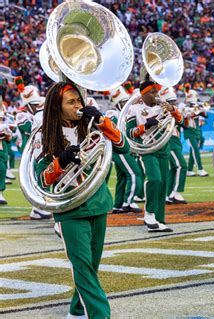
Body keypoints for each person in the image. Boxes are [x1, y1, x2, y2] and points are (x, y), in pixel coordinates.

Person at [35, 81, 129, 318]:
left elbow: (123, 146)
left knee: (90, 268)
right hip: (70, 210)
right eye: (71, 102)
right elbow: (41, 178)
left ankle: (76, 311)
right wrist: (61, 161)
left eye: (79, 100)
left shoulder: (90, 126)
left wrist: (101, 121)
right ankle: (100, 315)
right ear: (57, 107)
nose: (78, 105)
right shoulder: (44, 133)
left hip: (98, 203)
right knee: (84, 270)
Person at [126, 81, 184, 232]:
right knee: (154, 179)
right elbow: (129, 132)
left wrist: (172, 109)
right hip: (147, 149)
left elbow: (180, 120)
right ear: (143, 94)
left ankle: (159, 220)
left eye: (156, 92)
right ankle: (149, 213)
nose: (156, 95)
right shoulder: (135, 109)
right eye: (152, 92)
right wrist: (144, 126)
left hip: (163, 147)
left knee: (163, 184)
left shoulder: (162, 107)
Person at [14, 76, 52, 220]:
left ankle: (38, 209)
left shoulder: (38, 115)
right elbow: (30, 128)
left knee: (43, 177)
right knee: (38, 179)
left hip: (41, 149)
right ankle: (39, 208)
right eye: (34, 104)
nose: (38, 106)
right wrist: (39, 114)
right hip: (29, 152)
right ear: (28, 105)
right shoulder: (22, 115)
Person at [105, 85, 143, 214]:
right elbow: (117, 131)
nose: (127, 105)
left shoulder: (124, 113)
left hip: (123, 148)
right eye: (123, 102)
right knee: (135, 173)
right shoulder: (113, 113)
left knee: (122, 177)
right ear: (117, 103)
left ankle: (118, 204)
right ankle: (129, 202)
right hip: (119, 149)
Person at [160, 87, 188, 204]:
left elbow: (182, 123)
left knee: (173, 168)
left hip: (175, 140)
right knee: (182, 165)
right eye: (170, 102)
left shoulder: (174, 111)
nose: (173, 104)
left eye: (173, 101)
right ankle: (175, 193)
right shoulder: (161, 112)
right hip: (169, 140)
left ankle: (169, 193)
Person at [183, 87, 209, 177]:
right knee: (195, 150)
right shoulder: (184, 107)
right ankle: (200, 169)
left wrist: (202, 110)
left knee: (192, 151)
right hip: (189, 131)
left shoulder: (196, 107)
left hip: (197, 131)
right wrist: (195, 110)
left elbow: (206, 115)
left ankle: (189, 170)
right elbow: (187, 115)